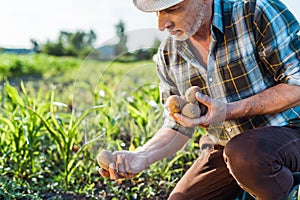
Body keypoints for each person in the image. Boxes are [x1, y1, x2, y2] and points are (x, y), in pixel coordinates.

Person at [98, 0, 300, 199]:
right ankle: (253, 182)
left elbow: (297, 84)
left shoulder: (254, 11)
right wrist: (142, 156)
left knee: (246, 154)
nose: (161, 25)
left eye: (172, 9)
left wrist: (230, 110)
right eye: (157, 13)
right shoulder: (169, 54)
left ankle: (287, 186)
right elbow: (176, 126)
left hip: (291, 130)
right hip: (227, 148)